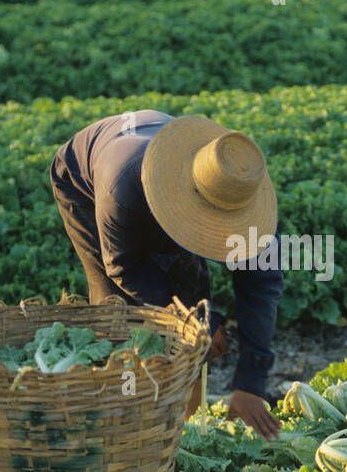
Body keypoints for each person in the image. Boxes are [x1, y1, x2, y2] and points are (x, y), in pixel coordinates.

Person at [50, 109, 283, 439]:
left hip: (156, 159)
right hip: (84, 181)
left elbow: (261, 286)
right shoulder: (123, 190)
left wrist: (250, 383)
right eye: (201, 219)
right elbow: (123, 267)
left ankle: (183, 435)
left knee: (191, 292)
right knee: (116, 312)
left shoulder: (240, 189)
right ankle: (117, 429)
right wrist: (197, 323)